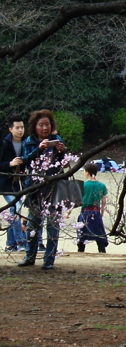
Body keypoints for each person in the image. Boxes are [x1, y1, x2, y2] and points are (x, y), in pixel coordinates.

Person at [18, 110, 66, 269]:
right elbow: (25, 161)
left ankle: (49, 260)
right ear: (34, 127)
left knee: (53, 225)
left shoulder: (56, 139)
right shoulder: (29, 142)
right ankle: (29, 256)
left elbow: (63, 164)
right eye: (41, 125)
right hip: (35, 188)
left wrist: (61, 152)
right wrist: (39, 149)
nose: (45, 128)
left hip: (54, 188)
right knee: (32, 224)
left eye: (47, 124)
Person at [1, 113, 28, 252]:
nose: (20, 130)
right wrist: (9, 164)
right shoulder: (4, 143)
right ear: (10, 129)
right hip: (5, 183)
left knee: (14, 211)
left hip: (19, 184)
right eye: (17, 127)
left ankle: (11, 244)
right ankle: (21, 242)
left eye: (22, 127)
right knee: (16, 208)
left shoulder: (26, 142)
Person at [76, 162, 108, 253]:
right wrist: (101, 213)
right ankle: (102, 251)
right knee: (99, 234)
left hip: (85, 212)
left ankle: (80, 251)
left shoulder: (83, 185)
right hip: (96, 212)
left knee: (82, 234)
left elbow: (77, 200)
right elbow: (104, 202)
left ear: (87, 172)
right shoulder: (102, 185)